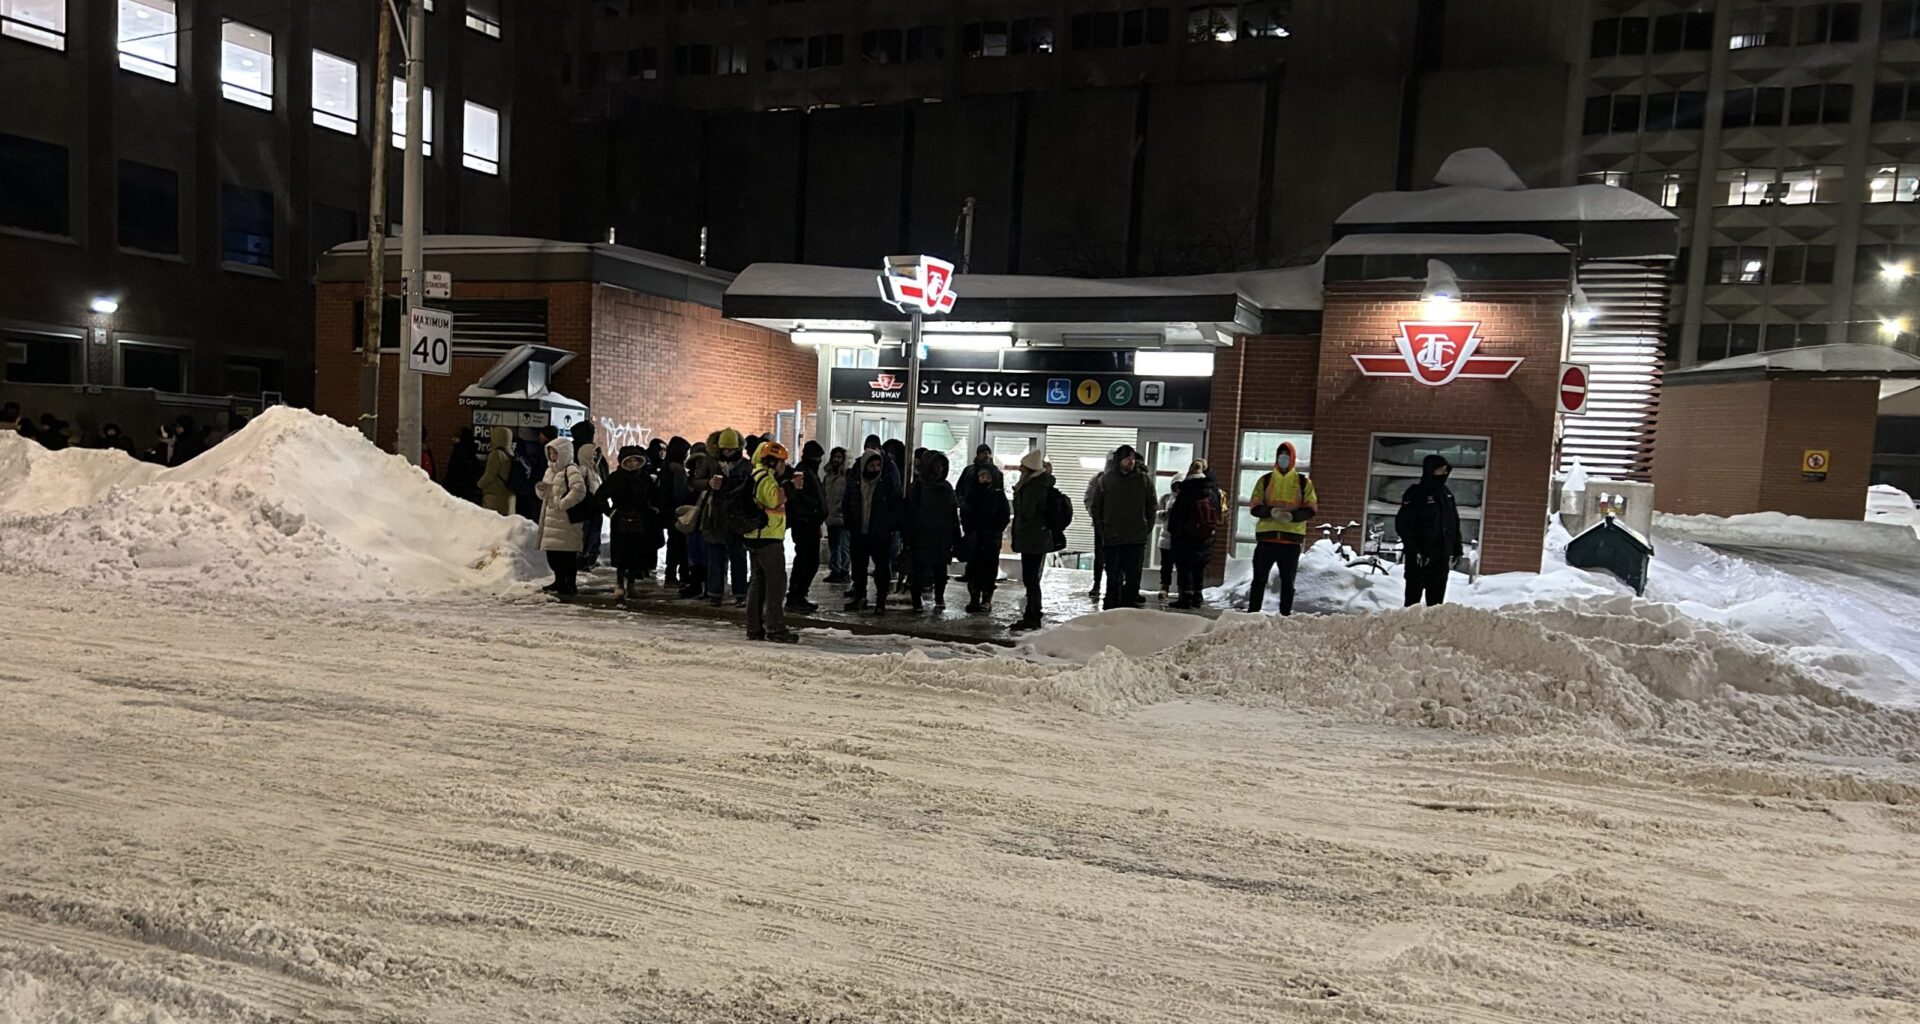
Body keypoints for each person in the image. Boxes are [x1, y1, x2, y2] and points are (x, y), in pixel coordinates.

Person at [1245, 441, 1318, 615]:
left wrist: (1293, 517)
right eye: (1281, 455)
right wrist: (1270, 512)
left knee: (1288, 582)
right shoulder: (1265, 480)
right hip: (1267, 539)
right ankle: (1253, 613)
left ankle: (1284, 616)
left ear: (1292, 458)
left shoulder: (1303, 483)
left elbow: (1311, 509)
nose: (1283, 459)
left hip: (1290, 541)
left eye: (1286, 456)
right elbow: (1254, 506)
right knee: (1259, 579)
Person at [1089, 444, 1155, 611]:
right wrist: (1102, 529)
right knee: (1113, 576)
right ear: (1119, 460)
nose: (1130, 461)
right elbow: (1096, 507)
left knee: (1133, 576)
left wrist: (1146, 528)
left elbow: (1151, 505)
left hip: (1135, 537)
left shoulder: (1143, 480)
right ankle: (1112, 607)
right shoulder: (1106, 480)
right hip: (1112, 537)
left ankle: (1129, 606)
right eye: (1127, 458)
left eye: (1132, 458)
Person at [744, 441, 799, 644]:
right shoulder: (765, 478)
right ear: (771, 461)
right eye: (781, 462)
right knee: (776, 585)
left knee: (758, 583)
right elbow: (774, 500)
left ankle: (755, 627)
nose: (784, 465)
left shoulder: (756, 475)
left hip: (757, 537)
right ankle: (775, 628)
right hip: (767, 538)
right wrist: (791, 487)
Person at [1395, 453, 1464, 608]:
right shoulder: (1416, 493)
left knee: (1436, 603)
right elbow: (1404, 525)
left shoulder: (1446, 494)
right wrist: (1414, 550)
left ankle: (1432, 623)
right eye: (1440, 470)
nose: (1444, 474)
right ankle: (1409, 622)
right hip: (1420, 557)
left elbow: (1453, 522)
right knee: (1413, 602)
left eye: (1445, 470)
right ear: (1430, 470)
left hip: (1441, 557)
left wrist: (1456, 548)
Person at [843, 449, 901, 613]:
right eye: (871, 465)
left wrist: (888, 526)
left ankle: (880, 601)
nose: (875, 469)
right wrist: (850, 523)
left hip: (880, 533)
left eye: (877, 465)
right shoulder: (856, 483)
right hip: (859, 532)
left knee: (882, 568)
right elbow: (847, 502)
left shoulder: (886, 484)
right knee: (859, 567)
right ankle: (860, 597)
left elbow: (895, 506)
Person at [902, 451, 961, 612]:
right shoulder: (918, 486)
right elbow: (909, 513)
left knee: (940, 572)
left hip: (941, 537)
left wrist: (955, 535)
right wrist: (908, 536)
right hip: (922, 536)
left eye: (941, 466)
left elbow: (952, 513)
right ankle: (917, 600)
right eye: (936, 466)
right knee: (919, 571)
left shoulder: (946, 487)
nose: (939, 469)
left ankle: (939, 596)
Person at [1009, 450, 1060, 631]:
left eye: (1022, 467)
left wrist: (1018, 496)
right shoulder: (1040, 485)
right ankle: (1032, 613)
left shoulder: (1033, 487)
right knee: (1032, 578)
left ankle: (1032, 615)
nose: (1020, 469)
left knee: (1030, 578)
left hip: (1032, 538)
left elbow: (1027, 512)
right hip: (1037, 537)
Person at [534, 433, 589, 597]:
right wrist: (540, 490)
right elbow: (546, 492)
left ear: (564, 453)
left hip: (566, 521)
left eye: (555, 453)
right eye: (550, 453)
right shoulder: (549, 471)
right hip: (551, 519)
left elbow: (579, 490)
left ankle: (569, 583)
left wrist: (562, 503)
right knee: (553, 554)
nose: (552, 456)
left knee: (567, 555)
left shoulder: (571, 470)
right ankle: (559, 580)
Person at [701, 428, 751, 607]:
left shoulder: (746, 465)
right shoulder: (711, 462)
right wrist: (709, 483)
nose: (728, 452)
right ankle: (715, 593)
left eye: (732, 449)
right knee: (716, 558)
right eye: (725, 449)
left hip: (737, 517)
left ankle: (740, 593)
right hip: (716, 516)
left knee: (738, 557)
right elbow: (695, 481)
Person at [602, 445, 656, 602]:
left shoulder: (644, 477)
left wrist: (652, 509)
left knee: (636, 553)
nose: (633, 464)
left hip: (640, 519)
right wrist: (610, 512)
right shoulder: (616, 477)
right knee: (621, 553)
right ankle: (619, 583)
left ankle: (631, 584)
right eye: (629, 461)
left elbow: (654, 496)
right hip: (621, 519)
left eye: (635, 460)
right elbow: (600, 496)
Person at [1167, 459, 1221, 609]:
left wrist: (1174, 531)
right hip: (1206, 536)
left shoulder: (1187, 490)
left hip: (1186, 536)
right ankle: (1198, 596)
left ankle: (1185, 598)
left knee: (1185, 567)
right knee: (1199, 567)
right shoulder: (1212, 490)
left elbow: (1177, 515)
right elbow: (1216, 511)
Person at [959, 460, 1011, 613]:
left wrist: (995, 530)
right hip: (975, 538)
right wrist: (970, 530)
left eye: (987, 476)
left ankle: (986, 600)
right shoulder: (972, 494)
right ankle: (974, 599)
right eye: (982, 476)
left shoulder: (998, 495)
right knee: (973, 569)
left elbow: (1004, 515)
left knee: (989, 570)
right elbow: (965, 513)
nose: (984, 479)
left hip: (991, 540)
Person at [784, 440, 828, 613]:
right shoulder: (803, 472)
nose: (818, 461)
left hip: (811, 522)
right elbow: (798, 495)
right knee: (806, 560)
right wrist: (814, 507)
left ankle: (799, 594)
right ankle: (796, 595)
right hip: (804, 523)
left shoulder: (810, 472)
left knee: (809, 561)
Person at [660, 436, 692, 587]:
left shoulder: (666, 466)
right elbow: (680, 493)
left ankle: (670, 574)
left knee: (673, 544)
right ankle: (678, 576)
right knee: (679, 545)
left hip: (667, 510)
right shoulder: (677, 468)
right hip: (677, 512)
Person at [1084, 453, 1113, 600]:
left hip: (1116, 526)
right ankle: (1097, 584)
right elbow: (1089, 499)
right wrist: (1095, 517)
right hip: (1100, 525)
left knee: (1114, 558)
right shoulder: (1097, 479)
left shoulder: (1123, 480)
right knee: (1099, 556)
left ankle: (1112, 586)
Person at [575, 441, 607, 571]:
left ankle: (590, 557)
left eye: (596, 454)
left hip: (595, 507)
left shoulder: (596, 470)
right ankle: (583, 558)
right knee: (586, 533)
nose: (594, 457)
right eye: (592, 454)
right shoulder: (582, 470)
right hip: (587, 507)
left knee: (594, 533)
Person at [822, 446, 851, 584]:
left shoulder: (846, 477)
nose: (836, 460)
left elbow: (847, 495)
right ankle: (835, 570)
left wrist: (840, 507)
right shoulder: (828, 477)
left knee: (843, 545)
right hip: (830, 516)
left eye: (839, 457)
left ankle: (844, 571)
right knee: (834, 545)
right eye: (834, 457)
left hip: (841, 517)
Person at [477, 426, 518, 516]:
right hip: (509, 496)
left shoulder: (496, 454)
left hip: (495, 497)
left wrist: (479, 485)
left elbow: (489, 475)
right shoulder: (511, 453)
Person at [444, 428, 484, 504]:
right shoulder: (470, 453)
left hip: (458, 489)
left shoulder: (460, 452)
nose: (452, 439)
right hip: (467, 490)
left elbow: (454, 471)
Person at [1155, 474, 1178, 598]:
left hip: (1179, 538)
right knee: (1166, 566)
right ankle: (1164, 587)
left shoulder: (1186, 499)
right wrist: (1162, 514)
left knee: (1181, 566)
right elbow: (1156, 512)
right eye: (1175, 486)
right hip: (1166, 537)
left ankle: (1181, 588)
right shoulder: (1166, 498)